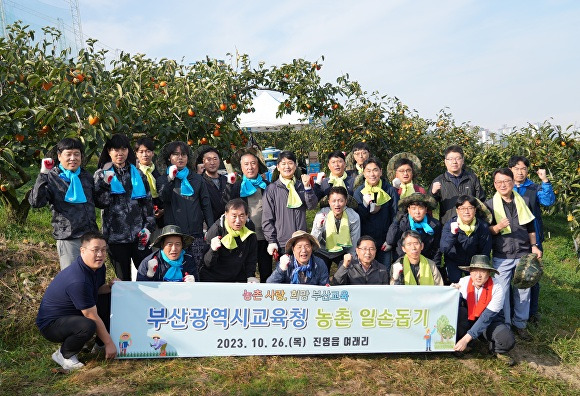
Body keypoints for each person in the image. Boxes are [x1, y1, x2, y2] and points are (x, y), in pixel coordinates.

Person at [36, 231, 117, 371]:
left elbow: (96, 290)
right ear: (82, 251)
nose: (100, 254)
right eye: (95, 250)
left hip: (74, 314)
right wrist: (110, 342)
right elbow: (90, 315)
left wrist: (110, 287)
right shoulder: (78, 279)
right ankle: (64, 354)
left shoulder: (98, 267)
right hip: (52, 325)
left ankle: (99, 345)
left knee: (109, 296)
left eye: (103, 250)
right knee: (88, 325)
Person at [29, 138, 104, 270]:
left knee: (94, 276)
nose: (73, 158)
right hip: (69, 237)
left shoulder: (86, 176)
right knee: (73, 277)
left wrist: (106, 185)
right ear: (59, 156)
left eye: (76, 154)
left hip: (90, 237)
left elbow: (99, 202)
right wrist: (42, 175)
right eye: (68, 154)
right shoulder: (52, 177)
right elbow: (36, 202)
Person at [485, 168, 541, 340]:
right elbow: (485, 231)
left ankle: (520, 324)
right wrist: (497, 227)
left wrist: (535, 246)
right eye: (499, 182)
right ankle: (505, 325)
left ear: (512, 182)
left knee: (523, 290)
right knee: (501, 291)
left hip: (523, 252)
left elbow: (531, 227)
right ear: (494, 184)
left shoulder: (522, 201)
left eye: (506, 181)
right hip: (502, 254)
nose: (503, 185)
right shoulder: (489, 205)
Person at [94, 134, 155, 281]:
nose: (120, 153)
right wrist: (106, 184)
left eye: (123, 149)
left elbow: (147, 204)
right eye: (115, 149)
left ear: (128, 151)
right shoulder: (101, 175)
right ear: (109, 151)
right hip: (116, 238)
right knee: (123, 280)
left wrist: (148, 228)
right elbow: (100, 203)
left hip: (139, 237)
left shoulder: (138, 174)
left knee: (148, 276)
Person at [508, 155, 556, 323]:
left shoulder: (534, 188)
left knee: (531, 275)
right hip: (511, 237)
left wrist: (545, 181)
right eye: (516, 169)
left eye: (523, 169)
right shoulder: (506, 187)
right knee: (511, 274)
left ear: (528, 171)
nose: (520, 172)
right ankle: (512, 309)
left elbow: (548, 201)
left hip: (532, 237)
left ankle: (532, 312)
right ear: (510, 170)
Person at [156, 141, 213, 265]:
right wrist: (170, 179)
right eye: (176, 154)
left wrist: (211, 229)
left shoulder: (197, 179)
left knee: (196, 268)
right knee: (175, 268)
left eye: (183, 154)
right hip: (174, 235)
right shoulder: (162, 179)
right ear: (169, 158)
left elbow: (206, 205)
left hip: (195, 233)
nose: (180, 157)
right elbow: (163, 197)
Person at [452, 255, 516, 366]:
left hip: (489, 322)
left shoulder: (497, 288)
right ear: (470, 272)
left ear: (489, 273)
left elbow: (487, 318)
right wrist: (451, 292)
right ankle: (468, 342)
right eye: (475, 271)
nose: (478, 276)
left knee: (507, 340)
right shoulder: (463, 282)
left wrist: (465, 340)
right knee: (460, 312)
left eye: (483, 271)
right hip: (469, 319)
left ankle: (495, 348)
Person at [224, 148, 272, 282]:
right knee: (244, 271)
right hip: (243, 236)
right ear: (241, 167)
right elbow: (226, 205)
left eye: (253, 163)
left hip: (264, 236)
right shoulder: (237, 186)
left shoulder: (266, 186)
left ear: (258, 165)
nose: (250, 167)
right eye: (246, 164)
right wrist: (229, 185)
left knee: (266, 270)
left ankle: (264, 298)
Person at [262, 151, 319, 256]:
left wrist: (307, 188)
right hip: (283, 243)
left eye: (290, 163)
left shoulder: (301, 186)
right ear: (278, 167)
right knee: (285, 271)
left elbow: (312, 206)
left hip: (301, 241)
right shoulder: (272, 189)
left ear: (295, 166)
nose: (287, 167)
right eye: (283, 164)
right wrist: (272, 240)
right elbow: (267, 218)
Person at [354, 157, 399, 273]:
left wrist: (389, 240)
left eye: (375, 170)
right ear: (363, 173)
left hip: (384, 242)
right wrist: (365, 206)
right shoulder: (359, 192)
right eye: (368, 171)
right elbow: (357, 218)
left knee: (384, 272)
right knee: (365, 274)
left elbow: (396, 216)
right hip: (366, 243)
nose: (372, 174)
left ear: (381, 171)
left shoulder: (389, 190)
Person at [200, 199, 259, 283]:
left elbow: (251, 257)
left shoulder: (249, 229)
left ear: (247, 216)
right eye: (234, 216)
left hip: (236, 276)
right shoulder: (216, 230)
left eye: (241, 216)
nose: (238, 221)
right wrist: (213, 250)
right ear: (226, 215)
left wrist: (250, 276)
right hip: (214, 278)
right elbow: (207, 263)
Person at [440, 195, 492, 283]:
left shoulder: (482, 226)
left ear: (475, 210)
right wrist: (453, 234)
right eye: (462, 208)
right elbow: (444, 248)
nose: (466, 212)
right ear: (457, 210)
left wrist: (479, 269)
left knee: (474, 287)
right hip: (453, 262)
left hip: (474, 264)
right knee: (455, 286)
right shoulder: (450, 225)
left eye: (470, 208)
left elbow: (485, 251)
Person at [430, 145, 485, 224]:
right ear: (445, 161)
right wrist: (433, 193)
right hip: (449, 225)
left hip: (471, 225)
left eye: (457, 158)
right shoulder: (439, 181)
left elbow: (481, 201)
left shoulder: (472, 178)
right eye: (450, 159)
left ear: (462, 160)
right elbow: (431, 206)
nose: (454, 162)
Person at [385, 192, 441, 268]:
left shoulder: (434, 224)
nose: (417, 212)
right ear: (408, 209)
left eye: (421, 208)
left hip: (426, 262)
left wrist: (435, 266)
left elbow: (437, 248)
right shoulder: (402, 223)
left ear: (426, 209)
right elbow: (390, 240)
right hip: (403, 261)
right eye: (413, 208)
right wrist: (395, 222)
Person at [311, 186, 361, 272]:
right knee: (319, 273)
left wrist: (350, 260)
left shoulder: (354, 217)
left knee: (348, 273)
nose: (337, 204)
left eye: (340, 201)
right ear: (329, 202)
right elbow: (313, 241)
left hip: (342, 251)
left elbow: (354, 241)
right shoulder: (322, 214)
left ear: (345, 202)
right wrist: (319, 227)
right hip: (322, 250)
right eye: (333, 201)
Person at [135, 137, 164, 229]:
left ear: (153, 153)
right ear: (136, 154)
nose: (145, 154)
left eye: (148, 151)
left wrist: (163, 210)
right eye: (141, 151)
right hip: (139, 217)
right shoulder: (133, 172)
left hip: (159, 215)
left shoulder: (160, 171)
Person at [196, 146, 228, 221]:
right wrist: (198, 174)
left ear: (219, 161)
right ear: (203, 162)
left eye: (215, 159)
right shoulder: (200, 181)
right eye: (208, 159)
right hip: (208, 225)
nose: (212, 163)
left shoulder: (226, 180)